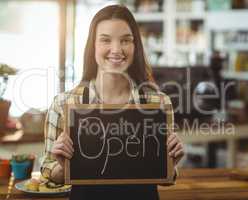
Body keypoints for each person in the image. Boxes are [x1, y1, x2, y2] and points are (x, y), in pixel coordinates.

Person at [40, 4, 184, 200]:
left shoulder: (157, 103)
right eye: (105, 40)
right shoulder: (63, 104)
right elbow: (49, 172)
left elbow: (164, 179)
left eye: (125, 40)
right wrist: (62, 167)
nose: (116, 50)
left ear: (136, 46)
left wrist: (171, 164)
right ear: (93, 46)